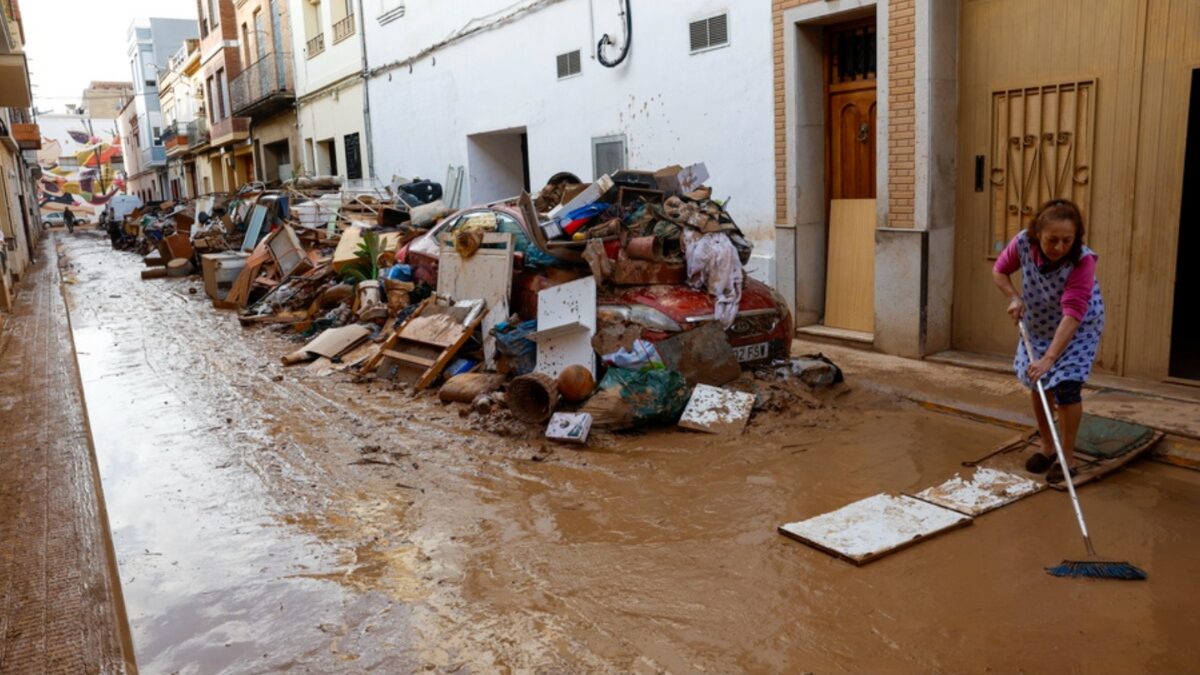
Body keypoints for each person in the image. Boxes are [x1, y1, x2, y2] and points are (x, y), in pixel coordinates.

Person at [992, 199, 1105, 483]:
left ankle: (1067, 455)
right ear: (1037, 234)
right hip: (1040, 321)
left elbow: (1073, 312)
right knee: (1038, 381)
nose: (1059, 247)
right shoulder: (1022, 243)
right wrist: (1013, 297)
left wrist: (1050, 358)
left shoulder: (1082, 260)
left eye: (1067, 240)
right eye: (1052, 240)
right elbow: (1000, 270)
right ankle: (1047, 446)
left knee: (1066, 386)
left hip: (1077, 326)